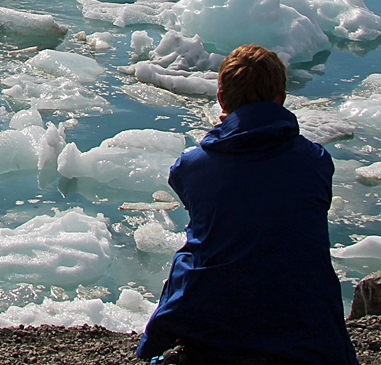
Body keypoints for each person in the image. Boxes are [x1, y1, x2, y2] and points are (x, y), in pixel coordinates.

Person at [138, 45, 356, 365]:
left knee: (198, 252)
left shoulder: (194, 168)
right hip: (310, 334)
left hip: (216, 335)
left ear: (221, 100)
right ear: (281, 98)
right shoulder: (315, 162)